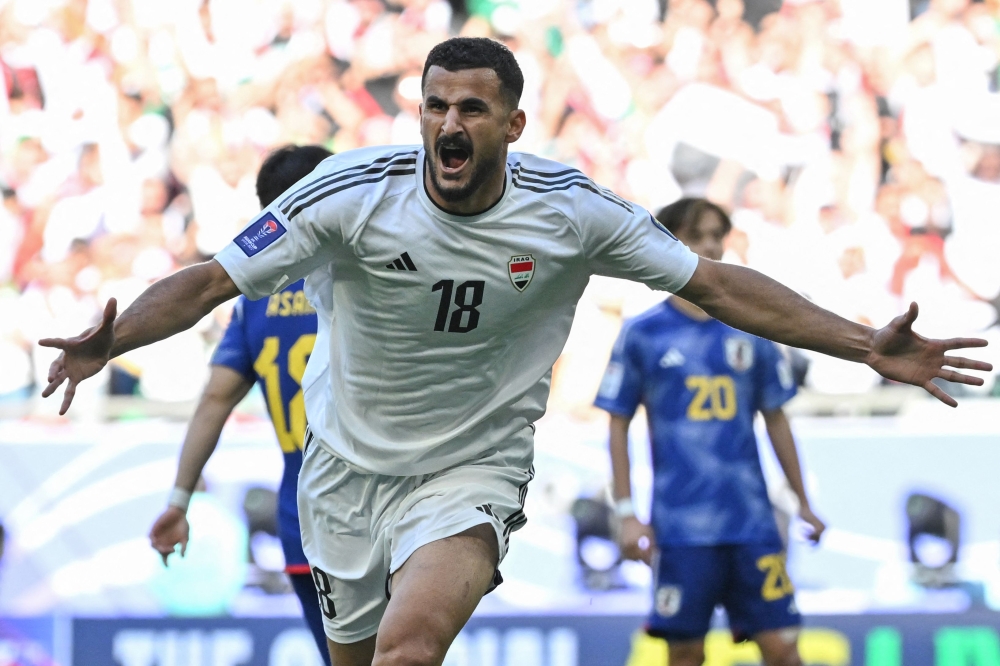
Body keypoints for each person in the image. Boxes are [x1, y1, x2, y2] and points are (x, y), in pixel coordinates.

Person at [40, 38, 990, 666]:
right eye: (435, 107)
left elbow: (717, 285)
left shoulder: (570, 210)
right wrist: (110, 340)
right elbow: (209, 281)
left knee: (410, 652)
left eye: (472, 109)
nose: (450, 125)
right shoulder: (349, 193)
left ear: (513, 124)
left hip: (470, 470)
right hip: (341, 476)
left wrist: (865, 344)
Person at [594, 198, 825, 666]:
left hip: (752, 523)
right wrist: (626, 513)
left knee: (783, 648)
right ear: (668, 242)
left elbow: (776, 418)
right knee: (684, 654)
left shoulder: (752, 328)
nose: (712, 245)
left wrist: (803, 501)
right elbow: (617, 423)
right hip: (681, 531)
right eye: (697, 235)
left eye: (717, 235)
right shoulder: (643, 334)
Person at [147, 144, 333, 664]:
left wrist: (180, 499)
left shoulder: (257, 298)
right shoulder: (365, 280)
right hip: (376, 513)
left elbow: (215, 399)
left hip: (301, 517)